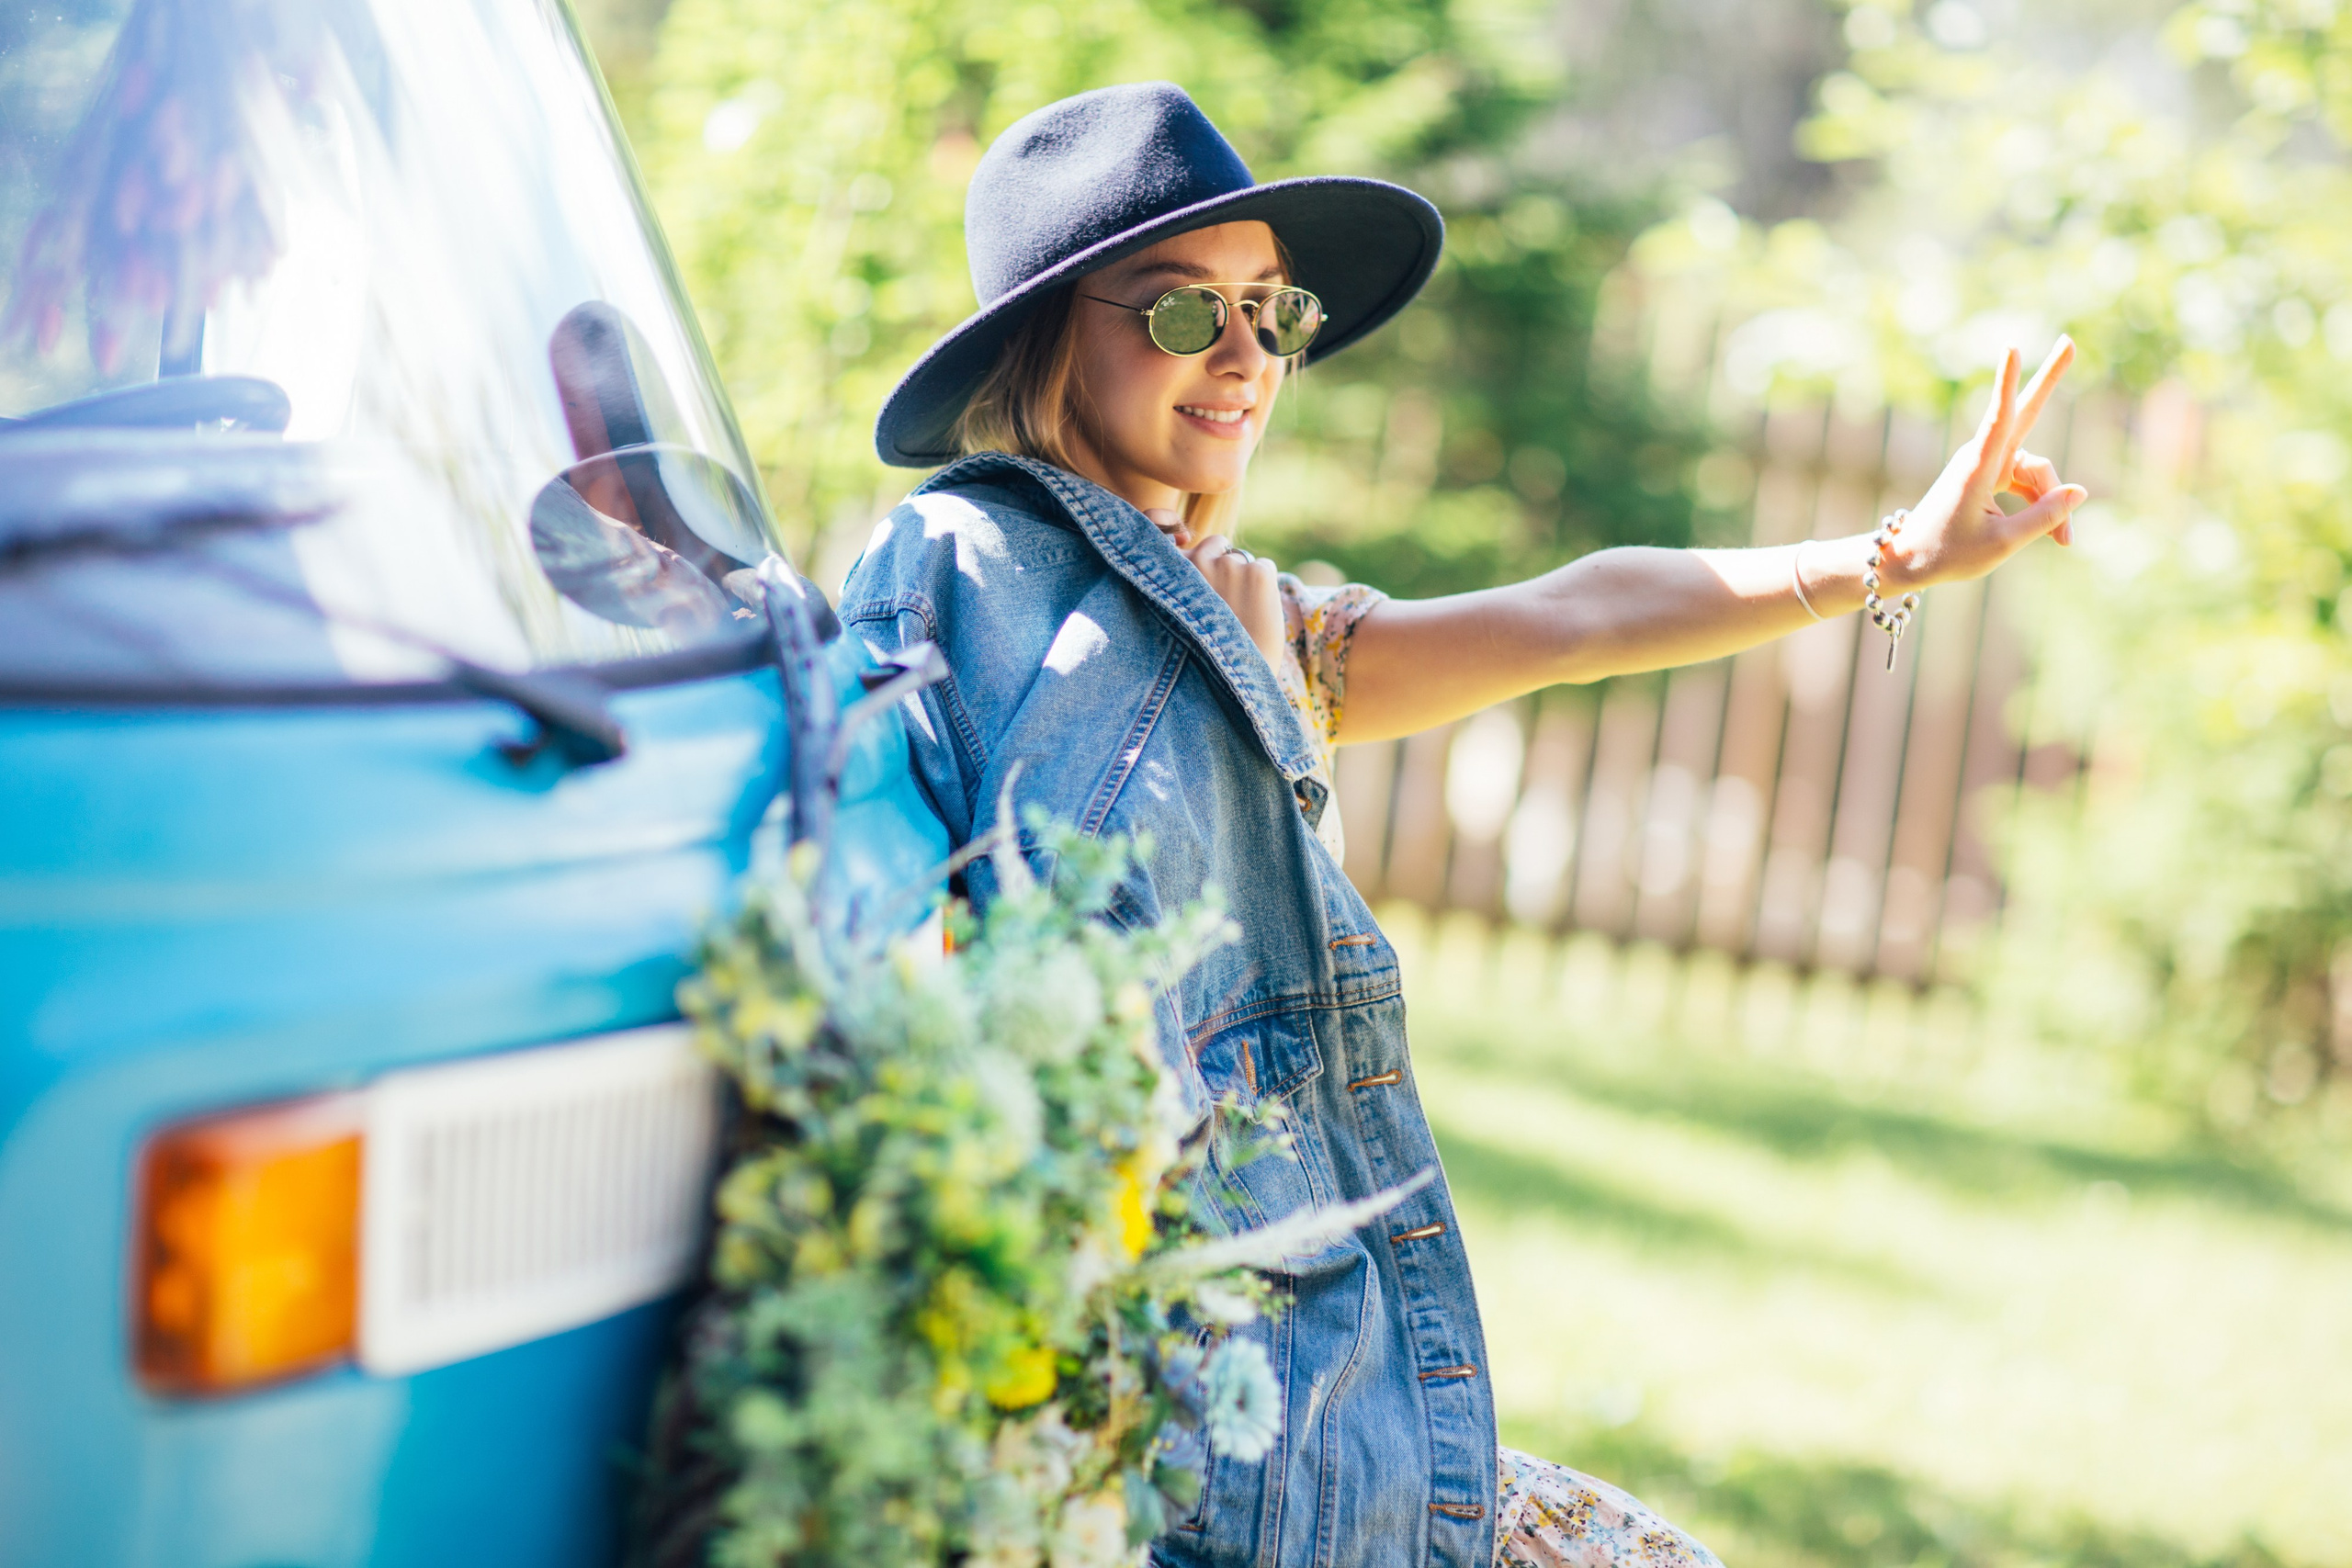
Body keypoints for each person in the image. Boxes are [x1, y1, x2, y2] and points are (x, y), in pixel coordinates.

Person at [842, 82, 2083, 1568]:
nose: (1243, 358)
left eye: (1269, 312)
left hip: (1314, 1395)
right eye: (1180, 315)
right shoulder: (962, 564)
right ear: (1051, 340)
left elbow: (1577, 613)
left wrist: (1891, 555)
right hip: (1132, 1419)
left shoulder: (1267, 625)